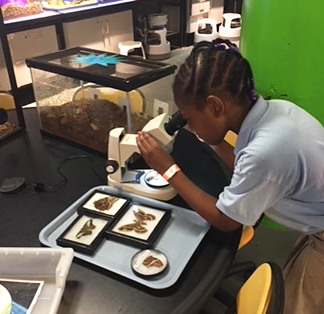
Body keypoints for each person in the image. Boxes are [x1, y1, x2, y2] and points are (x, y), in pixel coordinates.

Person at [136, 38, 324, 314]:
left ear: (215, 106)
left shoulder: (267, 150)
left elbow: (227, 220)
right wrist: (210, 137)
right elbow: (250, 168)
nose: (186, 123)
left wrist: (168, 170)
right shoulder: (277, 113)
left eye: (188, 116)